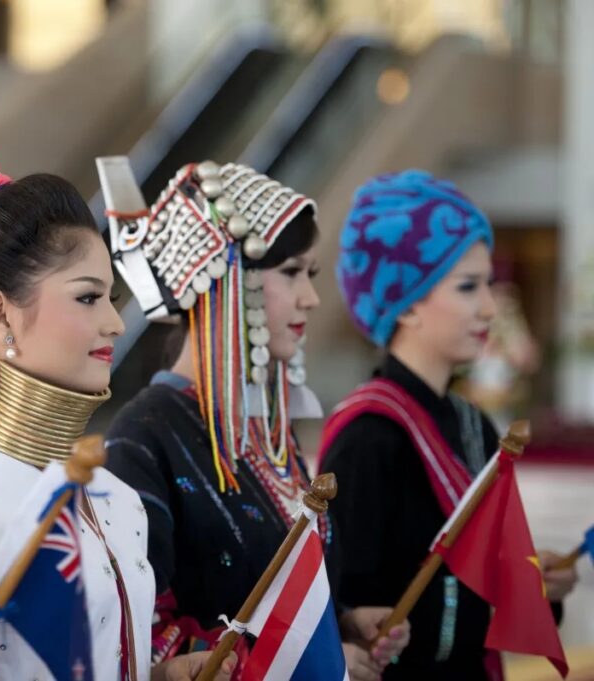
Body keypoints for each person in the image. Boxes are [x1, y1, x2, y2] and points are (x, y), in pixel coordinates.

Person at [0, 151, 235, 680]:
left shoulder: (113, 498)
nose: (116, 323)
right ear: (1, 313)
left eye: (109, 298)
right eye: (88, 298)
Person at [98, 158, 409, 680]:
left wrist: (342, 624)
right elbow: (140, 631)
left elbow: (275, 599)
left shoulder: (265, 428)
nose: (310, 298)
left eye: (309, 274)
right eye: (290, 273)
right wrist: (315, 665)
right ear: (223, 277)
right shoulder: (144, 435)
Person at [319, 170, 578, 680]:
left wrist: (532, 588)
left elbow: (481, 593)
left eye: (488, 284)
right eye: (468, 287)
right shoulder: (367, 437)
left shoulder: (472, 422)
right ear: (407, 301)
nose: (488, 307)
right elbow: (341, 607)